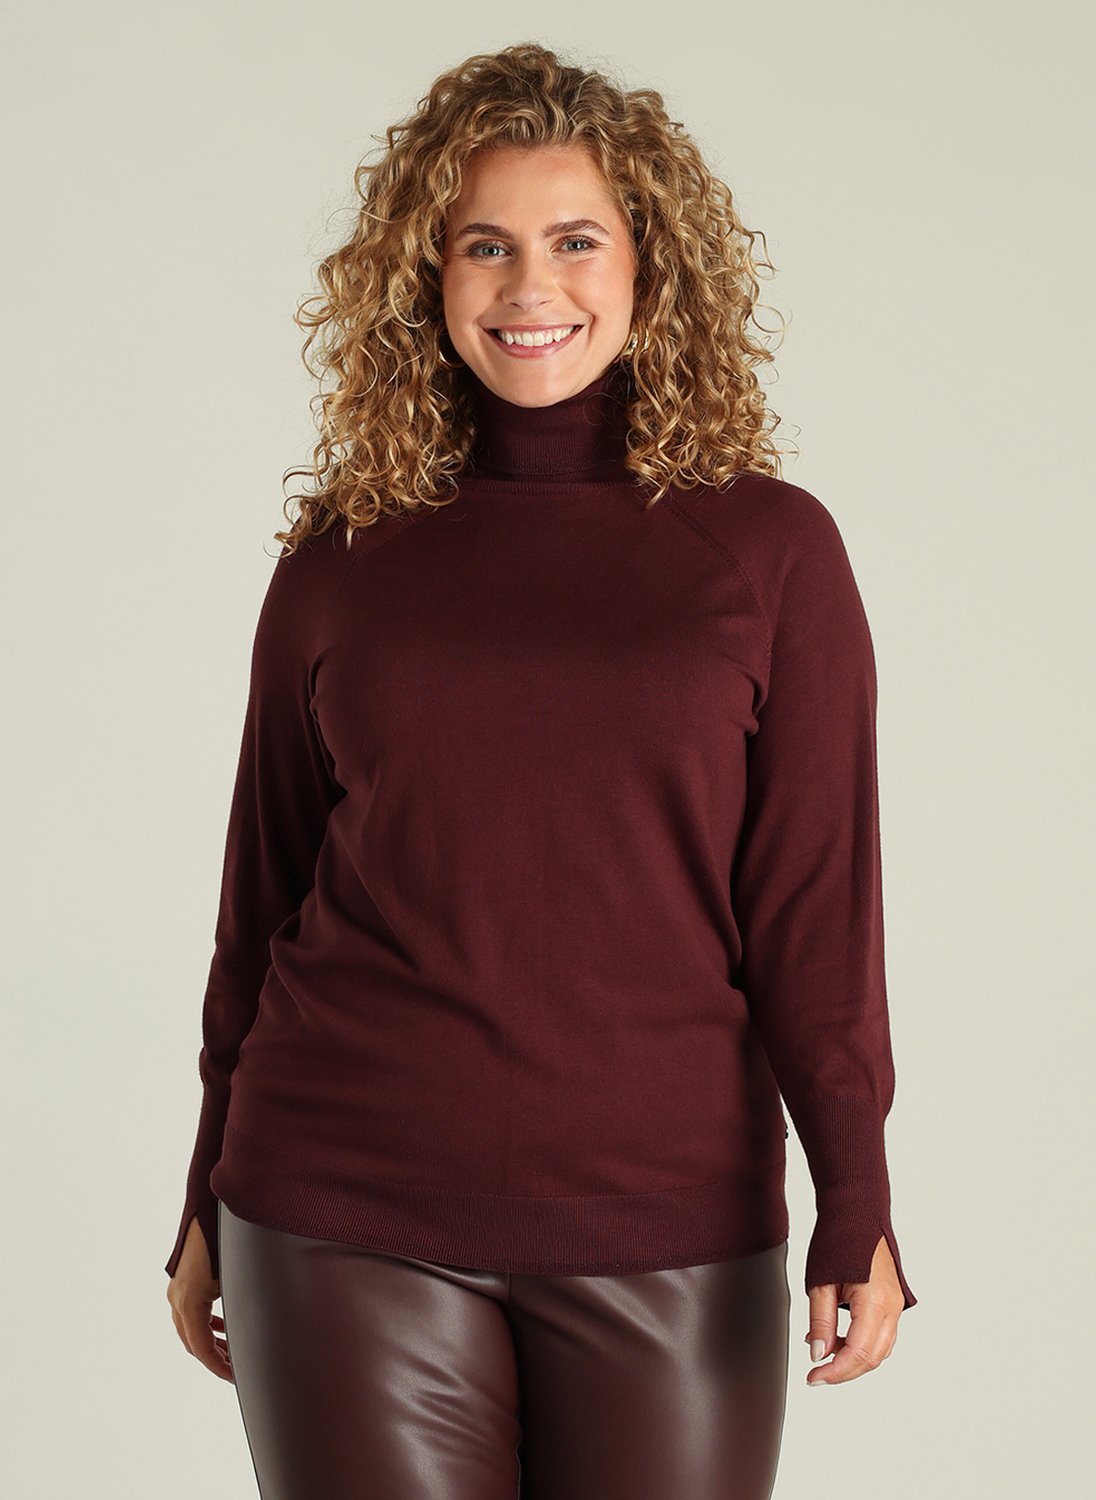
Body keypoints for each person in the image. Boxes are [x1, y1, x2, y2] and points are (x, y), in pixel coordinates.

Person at [165, 40, 917, 1500]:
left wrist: (858, 1194)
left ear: (649, 267)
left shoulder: (769, 551)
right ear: (427, 274)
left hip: (669, 1217)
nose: (529, 287)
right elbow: (260, 906)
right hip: (339, 1206)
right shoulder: (343, 562)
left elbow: (816, 912)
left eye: (575, 241)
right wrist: (204, 1186)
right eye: (484, 245)